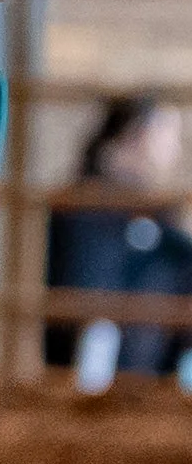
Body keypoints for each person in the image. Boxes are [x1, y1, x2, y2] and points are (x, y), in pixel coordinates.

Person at [46, 96, 192, 388]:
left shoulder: (159, 208)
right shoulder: (84, 200)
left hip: (152, 355)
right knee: (99, 326)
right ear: (139, 133)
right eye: (167, 135)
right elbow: (84, 275)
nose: (175, 147)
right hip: (94, 346)